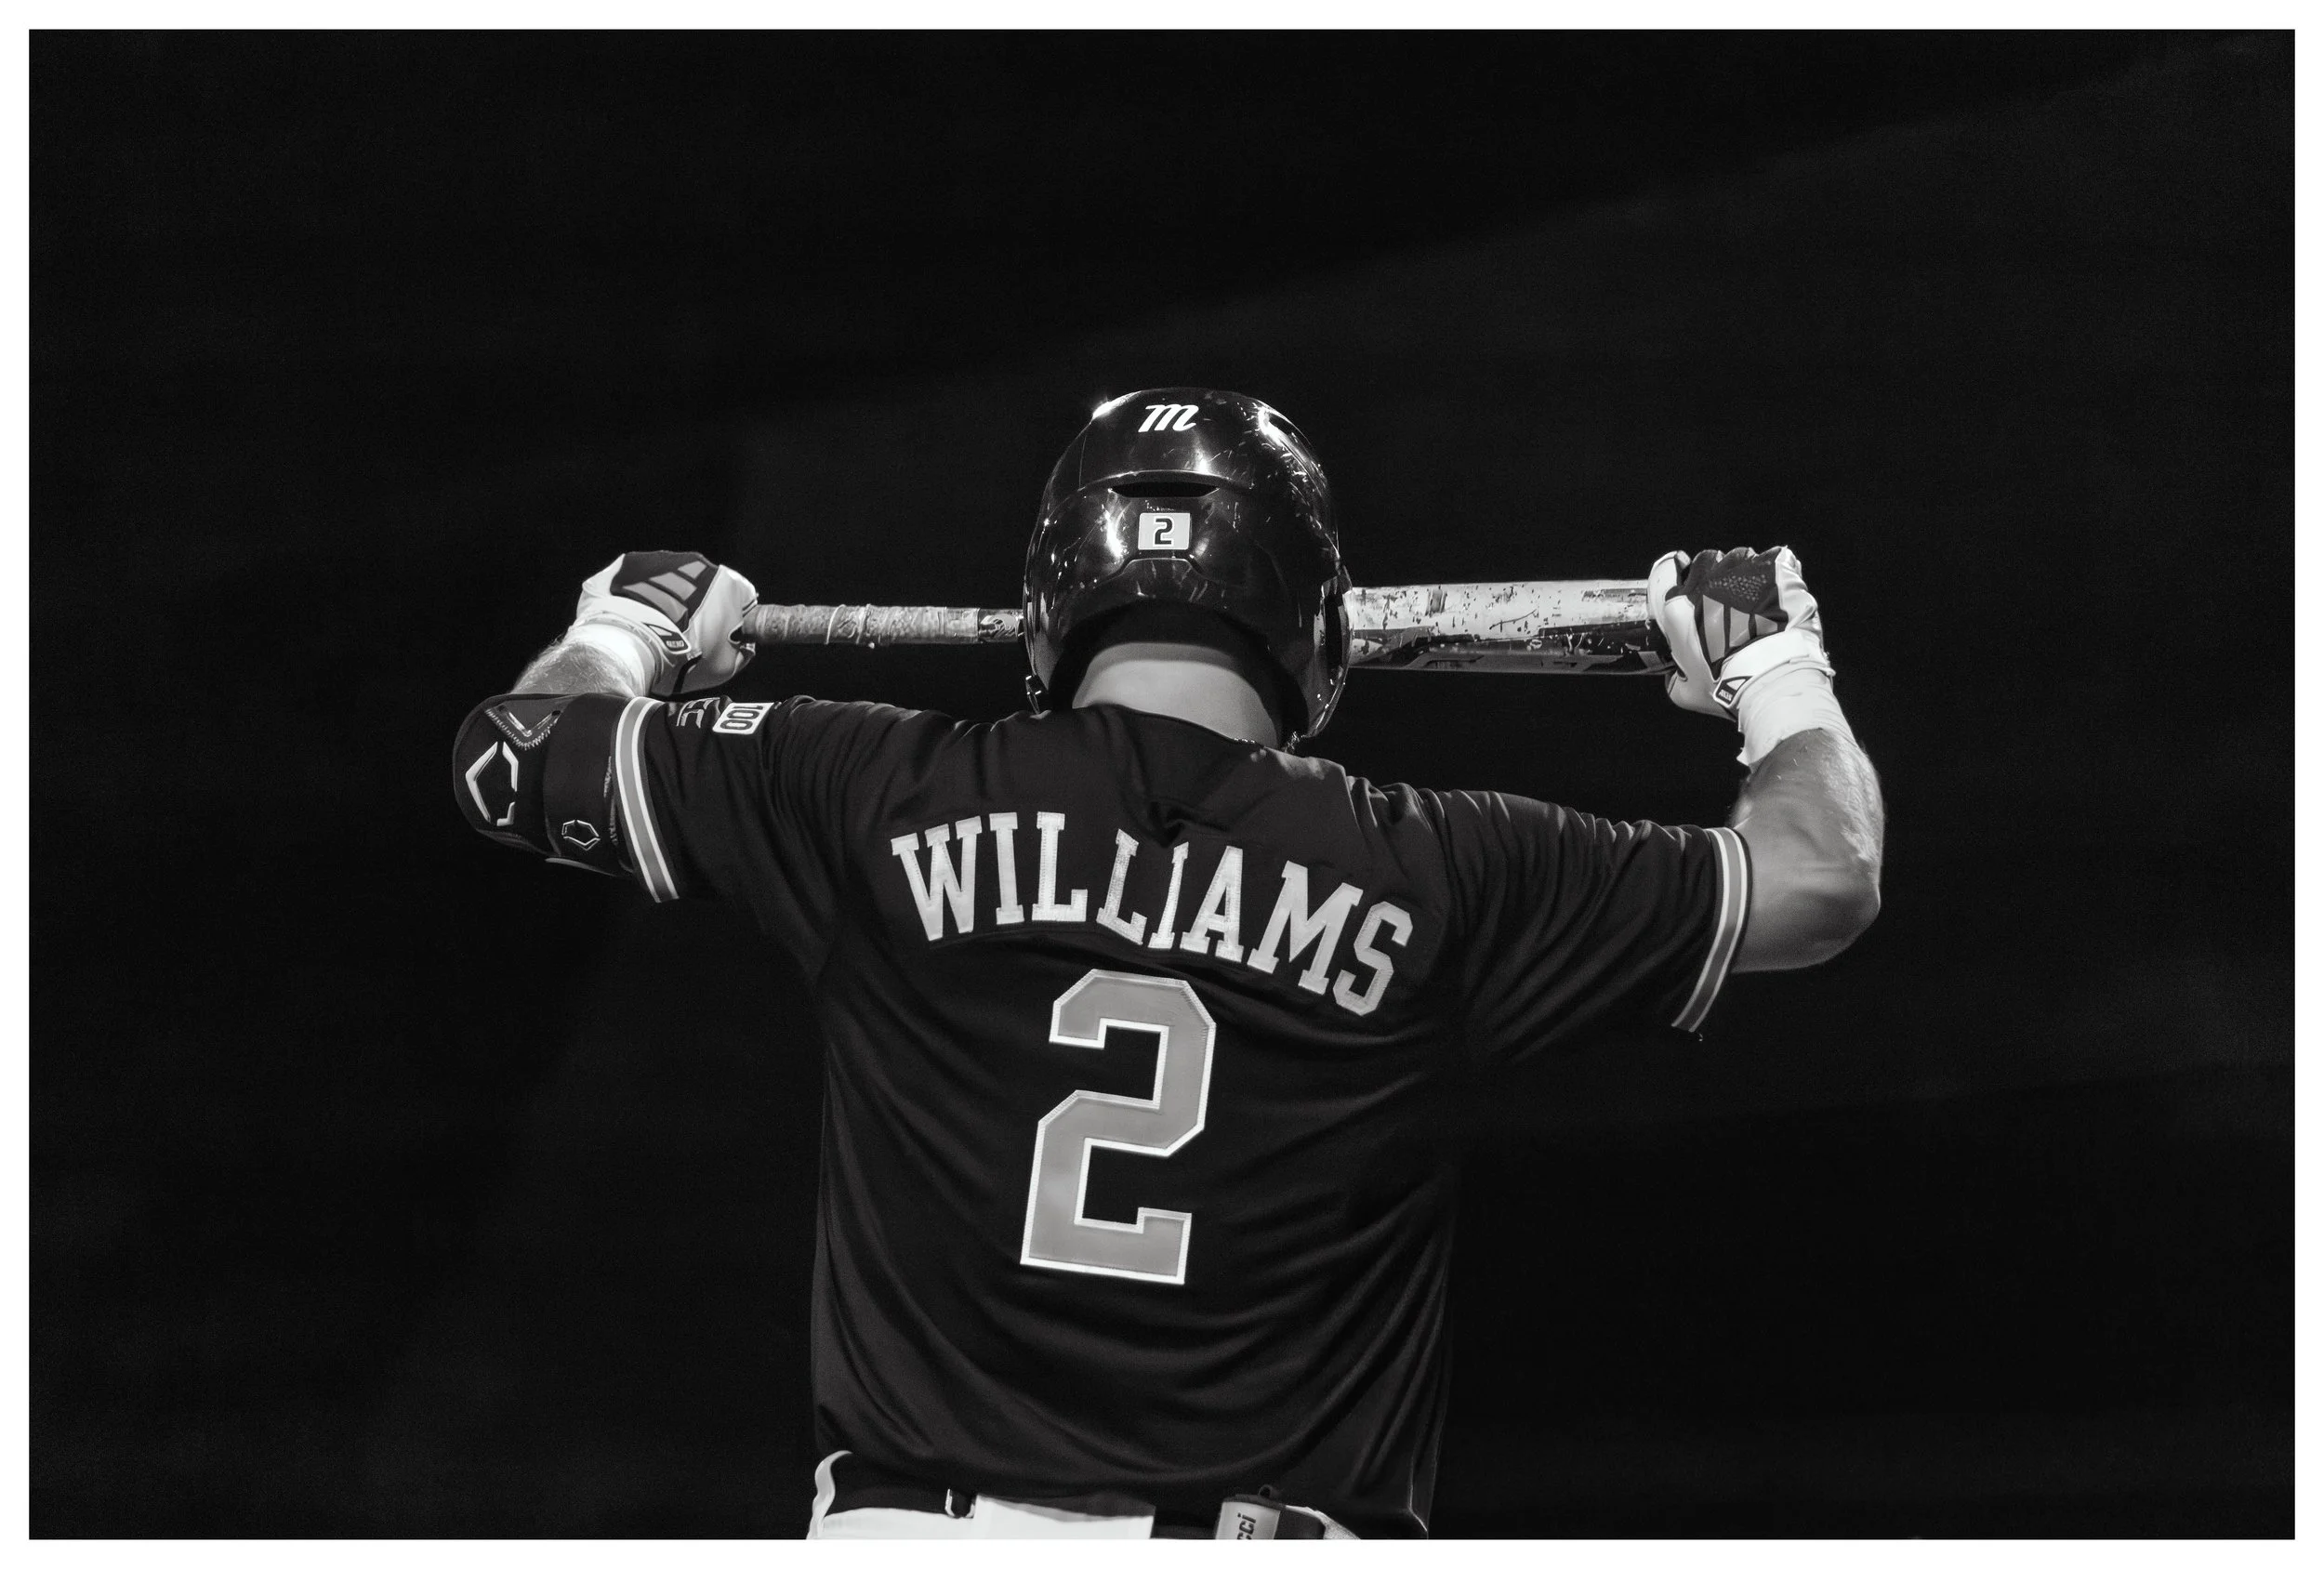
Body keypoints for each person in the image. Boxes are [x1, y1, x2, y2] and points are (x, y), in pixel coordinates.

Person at [452, 387, 1882, 1539]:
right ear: (1312, 617)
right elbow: (1823, 879)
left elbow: (513, 765)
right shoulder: (1446, 865)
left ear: (1054, 596)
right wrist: (1774, 670)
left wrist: (626, 628)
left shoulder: (861, 785)